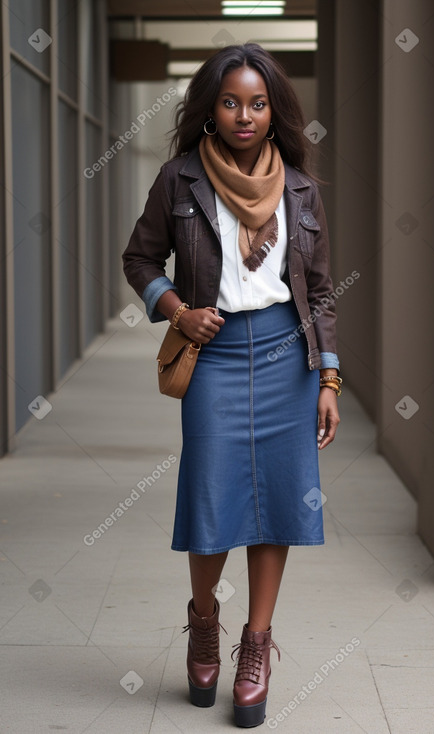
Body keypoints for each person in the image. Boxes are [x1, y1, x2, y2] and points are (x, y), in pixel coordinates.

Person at [122, 42, 341, 729]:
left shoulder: (301, 188)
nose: (244, 114)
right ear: (208, 111)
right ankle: (205, 619)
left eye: (256, 102)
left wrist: (328, 376)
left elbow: (321, 291)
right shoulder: (179, 179)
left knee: (277, 502)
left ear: (273, 110)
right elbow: (139, 258)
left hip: (286, 361)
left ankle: (255, 643)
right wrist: (176, 308)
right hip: (213, 360)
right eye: (229, 101)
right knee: (212, 498)